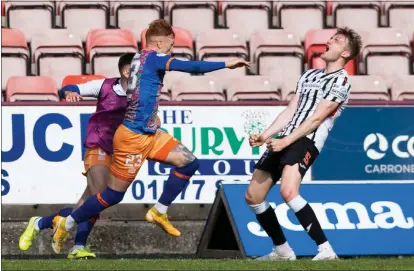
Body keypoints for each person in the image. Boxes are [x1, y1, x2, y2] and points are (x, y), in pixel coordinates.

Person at [50, 19, 250, 254]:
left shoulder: (137, 59)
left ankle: (159, 210)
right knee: (112, 195)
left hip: (149, 132)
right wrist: (227, 63)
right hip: (132, 136)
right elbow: (193, 68)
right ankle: (67, 222)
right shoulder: (154, 57)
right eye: (170, 44)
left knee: (188, 162)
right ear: (158, 42)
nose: (171, 49)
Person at [246, 27, 362, 261]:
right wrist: (266, 135)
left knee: (288, 191)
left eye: (336, 40)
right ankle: (282, 251)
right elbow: (291, 110)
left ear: (346, 53)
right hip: (284, 138)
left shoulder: (341, 81)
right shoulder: (309, 75)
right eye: (330, 37)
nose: (328, 41)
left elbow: (318, 118)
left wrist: (287, 140)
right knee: (253, 196)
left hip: (306, 140)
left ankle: (325, 250)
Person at [18, 53, 135, 259]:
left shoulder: (142, 95)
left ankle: (41, 224)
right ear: (127, 72)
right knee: (100, 195)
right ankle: (77, 245)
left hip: (119, 153)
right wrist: (70, 93)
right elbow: (69, 87)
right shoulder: (104, 86)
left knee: (88, 203)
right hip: (98, 146)